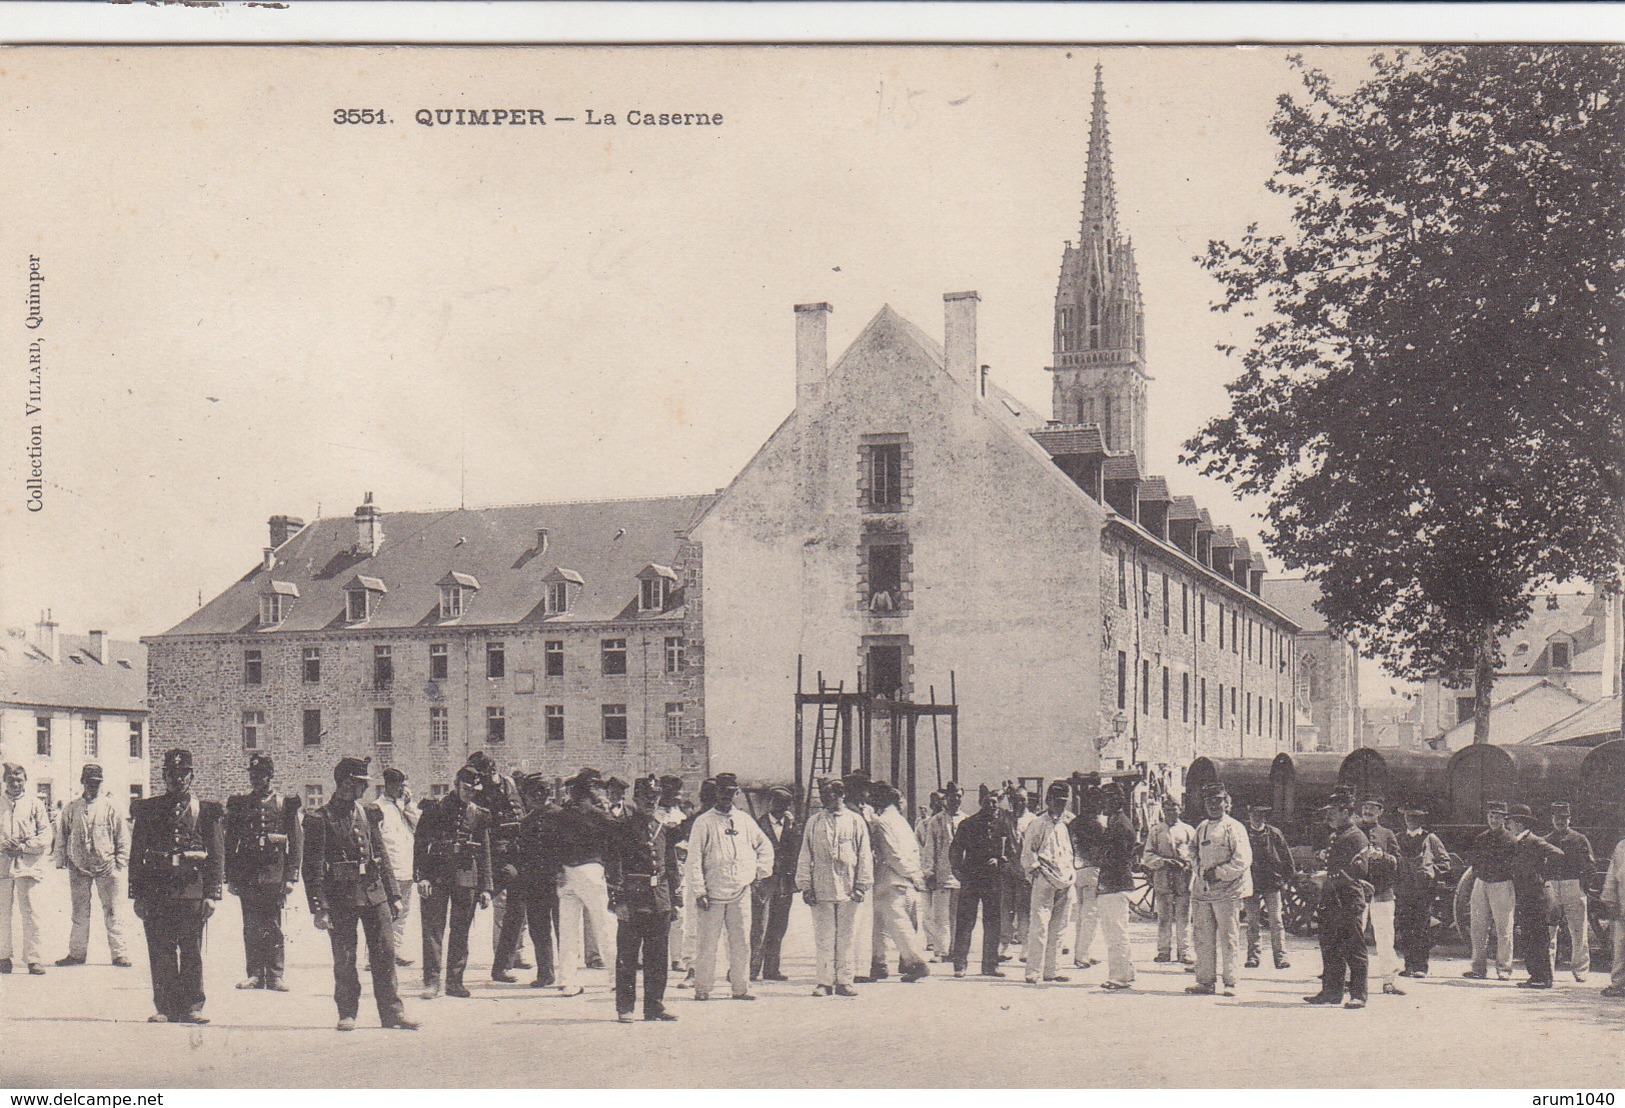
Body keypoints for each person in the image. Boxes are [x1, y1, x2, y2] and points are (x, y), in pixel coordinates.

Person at [304, 756, 418, 1032]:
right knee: (344, 957)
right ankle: (347, 1012)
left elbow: (381, 854)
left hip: (373, 893)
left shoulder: (367, 813)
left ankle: (392, 1012)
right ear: (346, 783)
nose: (366, 789)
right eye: (360, 784)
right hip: (341, 897)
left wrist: (393, 895)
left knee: (385, 952)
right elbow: (312, 868)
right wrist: (319, 908)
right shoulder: (320, 819)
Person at [128, 749, 225, 1023]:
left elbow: (216, 855)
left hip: (191, 891)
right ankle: (165, 1006)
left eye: (183, 774)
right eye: (172, 774)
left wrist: (212, 894)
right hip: (157, 890)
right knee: (160, 949)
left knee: (191, 949)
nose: (178, 779)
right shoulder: (149, 809)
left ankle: (193, 1005)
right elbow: (137, 855)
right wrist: (137, 895)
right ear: (164, 777)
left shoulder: (205, 811)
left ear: (192, 776)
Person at [685, 771, 772, 1001]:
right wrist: (699, 890)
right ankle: (702, 988)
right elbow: (693, 859)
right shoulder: (703, 822)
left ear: (736, 794)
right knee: (707, 944)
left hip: (740, 891)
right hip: (712, 894)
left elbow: (765, 847)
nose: (726, 797)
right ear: (716, 793)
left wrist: (756, 874)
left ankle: (740, 987)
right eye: (722, 792)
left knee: (741, 942)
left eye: (731, 793)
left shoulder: (745, 820)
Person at [224, 753, 302, 992]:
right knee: (251, 925)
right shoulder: (241, 804)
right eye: (253, 775)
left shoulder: (283, 804)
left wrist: (291, 876)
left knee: (273, 925)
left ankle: (276, 974)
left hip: (273, 874)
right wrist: (231, 877)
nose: (257, 780)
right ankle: (255, 974)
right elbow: (230, 841)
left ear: (270, 776)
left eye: (262, 776)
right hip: (248, 875)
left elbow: (296, 842)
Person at [414, 764, 493, 999]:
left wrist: (486, 887)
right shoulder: (435, 809)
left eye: (474, 789)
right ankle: (431, 982)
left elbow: (484, 852)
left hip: (466, 877)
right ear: (456, 785)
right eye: (466, 787)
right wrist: (422, 876)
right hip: (437, 876)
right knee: (433, 932)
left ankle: (455, 982)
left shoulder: (478, 814)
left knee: (461, 931)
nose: (470, 792)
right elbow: (420, 845)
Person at [607, 776, 678, 1022]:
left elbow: (669, 866)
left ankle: (654, 1006)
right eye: (646, 798)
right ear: (635, 799)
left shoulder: (661, 827)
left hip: (659, 900)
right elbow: (614, 865)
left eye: (655, 798)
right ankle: (625, 1007)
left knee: (657, 957)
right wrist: (619, 901)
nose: (651, 802)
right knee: (628, 957)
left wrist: (673, 901)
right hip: (633, 900)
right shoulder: (622, 827)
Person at [796, 778, 872, 997]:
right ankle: (824, 982)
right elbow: (805, 854)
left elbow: (864, 854)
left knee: (847, 937)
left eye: (827, 794)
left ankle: (845, 981)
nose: (823, 799)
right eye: (821, 794)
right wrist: (806, 886)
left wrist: (861, 885)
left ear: (840, 795)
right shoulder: (814, 822)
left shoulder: (855, 821)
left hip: (849, 888)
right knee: (824, 937)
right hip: (822, 888)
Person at [549, 767, 621, 996]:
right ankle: (616, 979)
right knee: (605, 926)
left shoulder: (561, 814)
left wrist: (558, 871)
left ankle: (567, 980)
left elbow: (553, 846)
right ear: (591, 789)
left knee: (568, 930)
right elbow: (615, 841)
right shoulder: (598, 814)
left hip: (566, 873)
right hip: (591, 870)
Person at [52, 763, 131, 969]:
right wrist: (61, 860)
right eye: (89, 782)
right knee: (79, 912)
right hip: (79, 868)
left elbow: (122, 837)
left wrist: (119, 863)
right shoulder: (71, 808)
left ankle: (119, 953)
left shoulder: (111, 807)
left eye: (97, 783)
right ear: (83, 782)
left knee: (113, 911)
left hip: (107, 867)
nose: (93, 786)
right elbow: (62, 835)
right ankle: (77, 954)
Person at [1303, 790, 1371, 1009]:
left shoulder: (1356, 836)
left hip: (1348, 898)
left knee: (1353, 947)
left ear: (1346, 812)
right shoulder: (1336, 835)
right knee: (1330, 945)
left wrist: (1329, 877)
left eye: (1333, 812)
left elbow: (1359, 870)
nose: (1328, 816)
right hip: (1332, 898)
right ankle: (1331, 992)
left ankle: (1359, 994)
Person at [467, 752, 531, 980]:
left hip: (518, 853)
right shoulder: (478, 794)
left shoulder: (510, 784)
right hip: (495, 856)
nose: (482, 778)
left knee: (517, 910)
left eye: (484, 773)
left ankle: (502, 966)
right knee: (470, 904)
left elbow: (523, 811)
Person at [1186, 782, 1251, 998]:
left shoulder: (1235, 827)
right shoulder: (1202, 827)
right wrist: (1201, 870)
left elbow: (1242, 860)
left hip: (1227, 892)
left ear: (1227, 803)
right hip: (1203, 892)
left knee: (1229, 937)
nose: (1213, 805)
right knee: (1202, 937)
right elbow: (1192, 851)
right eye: (1209, 801)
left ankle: (1231, 982)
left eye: (1218, 801)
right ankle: (1205, 981)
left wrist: (1219, 873)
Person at [497, 773, 558, 988]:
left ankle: (569, 974)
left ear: (548, 793)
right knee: (539, 929)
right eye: (533, 794)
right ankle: (546, 973)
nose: (537, 797)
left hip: (559, 881)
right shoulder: (526, 822)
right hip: (535, 883)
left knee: (563, 929)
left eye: (542, 792)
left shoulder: (561, 816)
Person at [869, 782, 930, 982]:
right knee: (881, 924)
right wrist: (914, 875)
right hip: (903, 879)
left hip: (892, 879)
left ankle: (917, 962)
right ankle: (878, 963)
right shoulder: (901, 822)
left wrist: (910, 874)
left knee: (897, 924)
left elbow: (891, 854)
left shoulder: (882, 822)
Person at [1020, 780, 1076, 985]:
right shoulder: (1037, 824)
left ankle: (1053, 970)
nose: (1061, 806)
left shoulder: (1065, 823)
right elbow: (1028, 853)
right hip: (1044, 878)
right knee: (1040, 926)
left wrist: (1071, 873)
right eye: (1057, 801)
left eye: (1064, 802)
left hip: (1065, 879)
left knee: (1060, 927)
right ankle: (1033, 971)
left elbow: (1070, 852)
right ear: (1048, 800)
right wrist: (1036, 873)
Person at [1, 762, 54, 975]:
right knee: (2, 913)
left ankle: (33, 959)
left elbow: (46, 835)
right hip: (3, 866)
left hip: (29, 866)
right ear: (5, 781)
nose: (16, 784)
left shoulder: (34, 804)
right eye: (11, 779)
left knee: (31, 913)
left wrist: (24, 847)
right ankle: (3, 957)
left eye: (20, 780)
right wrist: (5, 845)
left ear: (25, 781)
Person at [948, 786, 1006, 978]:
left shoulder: (1003, 824)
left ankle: (990, 964)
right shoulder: (968, 823)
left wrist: (999, 859)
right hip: (971, 877)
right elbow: (956, 849)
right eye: (987, 801)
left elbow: (1011, 851)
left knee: (993, 922)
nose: (991, 805)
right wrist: (956, 870)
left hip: (993, 880)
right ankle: (960, 964)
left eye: (994, 802)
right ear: (980, 802)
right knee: (965, 921)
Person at [1505, 803, 1563, 989]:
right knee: (1529, 937)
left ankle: (1543, 978)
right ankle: (1536, 976)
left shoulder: (1534, 841)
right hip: (1525, 896)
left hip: (1535, 896)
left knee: (1537, 937)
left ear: (1520, 824)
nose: (1508, 826)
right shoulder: (1518, 842)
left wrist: (1541, 874)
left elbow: (1558, 855)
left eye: (1511, 822)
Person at [1094, 783, 1140, 991]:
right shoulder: (1116, 821)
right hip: (1115, 883)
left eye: (1106, 798)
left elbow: (1118, 858)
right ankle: (1127, 971)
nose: (1102, 803)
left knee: (1115, 933)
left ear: (1116, 801)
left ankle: (1118, 976)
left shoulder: (1120, 825)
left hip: (1114, 883)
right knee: (1118, 931)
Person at [750, 784, 799, 982]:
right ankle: (752, 969)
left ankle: (772, 969)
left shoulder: (793, 825)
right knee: (759, 926)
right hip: (764, 882)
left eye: (785, 805)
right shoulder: (757, 825)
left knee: (779, 926)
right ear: (770, 804)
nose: (781, 809)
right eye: (777, 803)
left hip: (785, 883)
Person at [1463, 801, 1517, 980]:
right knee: (1477, 928)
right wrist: (1480, 876)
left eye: (1498, 817)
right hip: (1481, 884)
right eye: (1491, 816)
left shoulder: (1510, 839)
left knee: (1504, 929)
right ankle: (1478, 968)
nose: (1493, 820)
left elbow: (1514, 864)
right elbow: (1474, 861)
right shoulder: (1481, 838)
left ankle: (1504, 969)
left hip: (1502, 885)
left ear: (1504, 819)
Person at [372, 767, 419, 967]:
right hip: (388, 870)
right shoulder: (377, 808)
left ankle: (396, 950)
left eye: (405, 786)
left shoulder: (404, 807)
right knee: (382, 913)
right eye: (400, 786)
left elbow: (420, 824)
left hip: (406, 868)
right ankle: (374, 955)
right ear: (389, 785)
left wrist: (408, 804)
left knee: (403, 913)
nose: (403, 789)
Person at [1355, 795, 1402, 995]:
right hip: (1357, 893)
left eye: (1373, 808)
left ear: (1380, 812)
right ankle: (1351, 981)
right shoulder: (1353, 832)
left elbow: (1398, 861)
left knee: (1385, 938)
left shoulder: (1387, 834)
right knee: (1354, 937)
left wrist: (1382, 856)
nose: (1368, 811)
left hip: (1382, 892)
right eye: (1365, 807)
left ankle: (1388, 981)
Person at [1542, 800, 1594, 984]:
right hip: (1552, 889)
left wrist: (1582, 888)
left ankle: (1580, 971)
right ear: (1552, 819)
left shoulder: (1579, 839)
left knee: (1578, 931)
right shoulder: (1546, 840)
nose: (1560, 822)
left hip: (1573, 886)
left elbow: (1590, 866)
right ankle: (1548, 971)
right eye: (1557, 818)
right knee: (1549, 931)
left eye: (1564, 818)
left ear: (1569, 819)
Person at [1394, 806, 1448, 978]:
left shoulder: (1430, 839)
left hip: (1423, 892)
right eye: (1408, 817)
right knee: (1404, 928)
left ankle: (1421, 967)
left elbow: (1445, 862)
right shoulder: (1398, 838)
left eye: (1415, 817)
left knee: (1421, 928)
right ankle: (1408, 965)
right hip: (1403, 891)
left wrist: (1431, 873)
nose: (1410, 820)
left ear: (1421, 820)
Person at [1142, 795, 1194, 965]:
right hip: (1163, 877)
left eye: (1174, 808)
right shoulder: (1156, 831)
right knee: (1164, 917)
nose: (1171, 812)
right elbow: (1147, 855)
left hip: (1183, 879)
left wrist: (1186, 863)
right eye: (1167, 809)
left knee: (1183, 916)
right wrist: (1163, 862)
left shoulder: (1189, 831)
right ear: (1163, 810)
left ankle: (1184, 951)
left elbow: (1196, 854)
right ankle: (1163, 951)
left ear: (1181, 809)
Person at [918, 783, 964, 960]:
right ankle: (941, 950)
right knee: (940, 916)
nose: (956, 800)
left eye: (959, 796)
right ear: (946, 799)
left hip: (961, 876)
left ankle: (955, 950)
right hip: (942, 875)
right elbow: (929, 848)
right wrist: (929, 873)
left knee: (957, 916)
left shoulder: (966, 820)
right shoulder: (936, 821)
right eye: (953, 796)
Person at [1068, 775, 1102, 972]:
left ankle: (1081, 952)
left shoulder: (1075, 822)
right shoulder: (1097, 824)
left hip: (1078, 870)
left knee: (1081, 915)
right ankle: (1082, 955)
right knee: (1090, 914)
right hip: (1092, 870)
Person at [999, 789, 1034, 958]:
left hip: (1026, 872)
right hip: (1008, 870)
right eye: (1015, 800)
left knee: (1024, 909)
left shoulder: (1033, 820)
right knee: (1006, 908)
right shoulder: (1006, 818)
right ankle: (1004, 945)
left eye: (1023, 800)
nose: (1019, 804)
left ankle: (1025, 945)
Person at [1600, 832, 1625, 999]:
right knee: (1621, 947)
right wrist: (1610, 901)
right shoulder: (1622, 847)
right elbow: (1612, 876)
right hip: (1622, 907)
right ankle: (1618, 984)